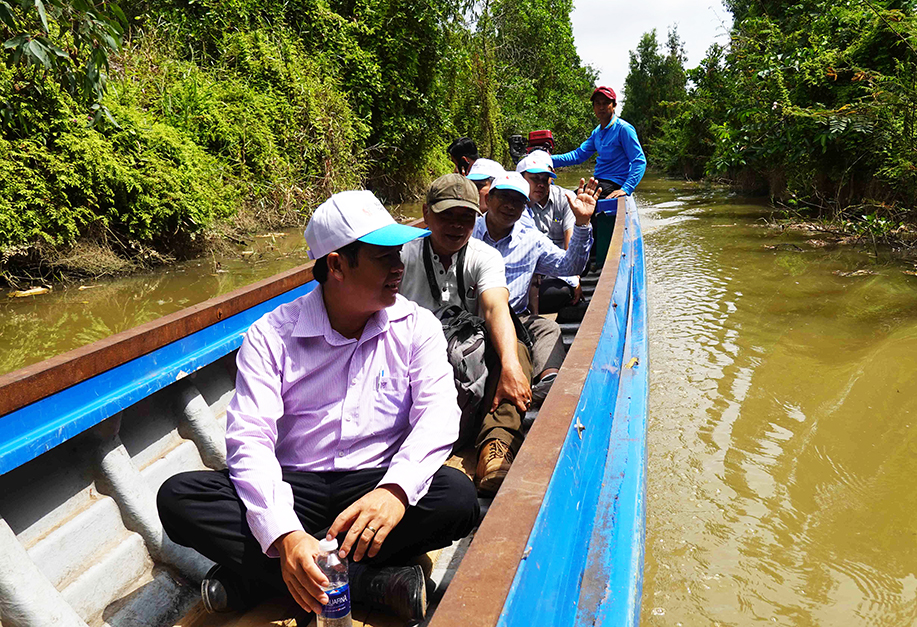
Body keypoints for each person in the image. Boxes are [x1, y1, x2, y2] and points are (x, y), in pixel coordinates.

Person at [156, 191, 480, 623]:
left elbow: (438, 416)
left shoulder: (416, 325)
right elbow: (250, 439)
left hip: (374, 482)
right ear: (337, 265)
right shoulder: (271, 335)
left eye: (398, 254)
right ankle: (367, 584)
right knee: (179, 498)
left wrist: (395, 491)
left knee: (457, 498)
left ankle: (257, 580)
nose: (399, 267)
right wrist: (287, 534)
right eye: (383, 257)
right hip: (295, 487)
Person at [399, 174, 533, 495]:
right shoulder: (402, 256)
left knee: (514, 349)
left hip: (471, 360)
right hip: (414, 360)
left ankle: (496, 444)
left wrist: (511, 367)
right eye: (447, 215)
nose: (457, 225)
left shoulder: (484, 256)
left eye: (466, 217)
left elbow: (494, 308)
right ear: (426, 213)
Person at [473, 172, 600, 406]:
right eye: (504, 197)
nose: (510, 206)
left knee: (547, 327)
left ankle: (548, 382)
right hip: (472, 317)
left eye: (519, 201)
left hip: (516, 318)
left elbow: (571, 266)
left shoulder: (531, 240)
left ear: (525, 208)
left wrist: (581, 224)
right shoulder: (468, 231)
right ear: (489, 199)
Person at [551, 86, 647, 199]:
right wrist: (548, 160)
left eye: (606, 103)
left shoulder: (623, 129)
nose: (601, 107)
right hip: (599, 183)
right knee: (564, 199)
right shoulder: (597, 132)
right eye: (598, 103)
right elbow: (578, 155)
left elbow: (639, 161)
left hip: (614, 184)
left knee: (572, 202)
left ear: (614, 105)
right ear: (594, 107)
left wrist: (626, 188)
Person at [516, 150, 582, 314]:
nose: (541, 184)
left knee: (562, 291)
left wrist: (574, 279)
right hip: (527, 271)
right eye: (535, 179)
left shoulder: (565, 198)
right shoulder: (517, 206)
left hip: (554, 265)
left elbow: (570, 246)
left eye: (545, 179)